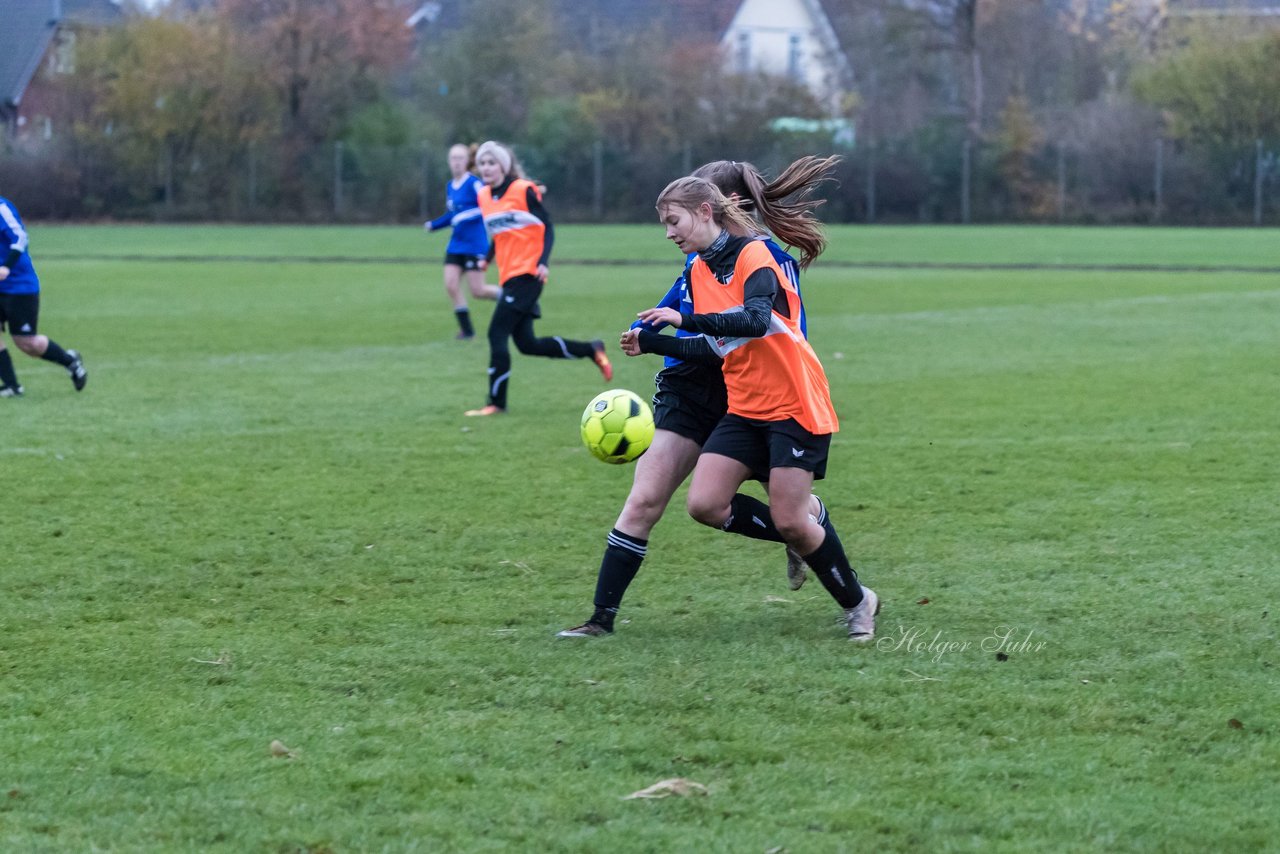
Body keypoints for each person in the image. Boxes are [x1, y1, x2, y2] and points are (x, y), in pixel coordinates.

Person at [557, 157, 844, 639]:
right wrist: (648, 331)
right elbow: (674, 312)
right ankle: (599, 620)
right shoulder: (698, 258)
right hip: (688, 392)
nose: (681, 222)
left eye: (693, 206)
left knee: (787, 512)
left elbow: (770, 339)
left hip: (749, 398)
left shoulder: (768, 262)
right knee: (645, 498)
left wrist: (674, 329)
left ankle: (815, 543)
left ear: (720, 207)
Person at [625, 175, 877, 642]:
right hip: (744, 407)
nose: (668, 233)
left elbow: (755, 321)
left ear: (706, 211)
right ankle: (805, 535)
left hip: (794, 402)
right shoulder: (698, 271)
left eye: (672, 221)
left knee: (789, 520)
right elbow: (713, 346)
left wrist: (683, 318)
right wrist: (650, 341)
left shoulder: (756, 255)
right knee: (704, 504)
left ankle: (859, 601)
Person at [464, 140, 611, 416]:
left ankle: (496, 403)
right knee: (527, 344)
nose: (486, 167)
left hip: (528, 274)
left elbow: (547, 227)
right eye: (482, 163)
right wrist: (487, 256)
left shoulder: (523, 190)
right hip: (509, 276)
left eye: (492, 162)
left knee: (497, 333)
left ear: (503, 166)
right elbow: (502, 231)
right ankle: (591, 350)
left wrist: (543, 263)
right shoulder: (484, 196)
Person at [0, 196, 87, 397]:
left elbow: (20, 236)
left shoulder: (2, 208)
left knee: (27, 343)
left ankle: (70, 362)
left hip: (19, 286)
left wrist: (6, 266)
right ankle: (12, 386)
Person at [424, 143, 499, 340]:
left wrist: (463, 217)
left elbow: (485, 207)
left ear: (467, 161)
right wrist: (435, 225)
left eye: (460, 158)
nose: (456, 162)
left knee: (478, 291)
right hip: (456, 244)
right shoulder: (450, 186)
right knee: (450, 284)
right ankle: (467, 331)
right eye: (453, 158)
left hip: (475, 244)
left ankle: (510, 299)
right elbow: (452, 215)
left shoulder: (474, 183)